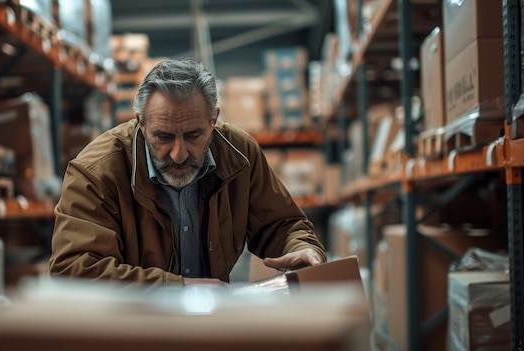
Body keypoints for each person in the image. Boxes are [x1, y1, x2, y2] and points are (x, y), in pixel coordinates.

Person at [49, 58, 326, 286]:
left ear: (214, 120)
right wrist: (178, 290)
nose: (179, 153)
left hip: (208, 329)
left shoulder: (240, 155)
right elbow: (75, 270)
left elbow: (282, 224)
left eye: (193, 135)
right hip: (130, 333)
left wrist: (302, 247)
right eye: (163, 136)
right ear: (141, 124)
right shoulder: (96, 172)